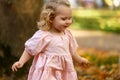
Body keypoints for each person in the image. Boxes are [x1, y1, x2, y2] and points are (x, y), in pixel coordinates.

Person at [12, 0, 89, 80]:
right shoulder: (43, 36)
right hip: (48, 71)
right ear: (51, 18)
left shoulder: (68, 34)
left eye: (70, 18)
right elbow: (30, 50)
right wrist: (21, 62)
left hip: (64, 71)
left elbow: (72, 51)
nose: (68, 22)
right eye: (64, 19)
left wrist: (80, 59)